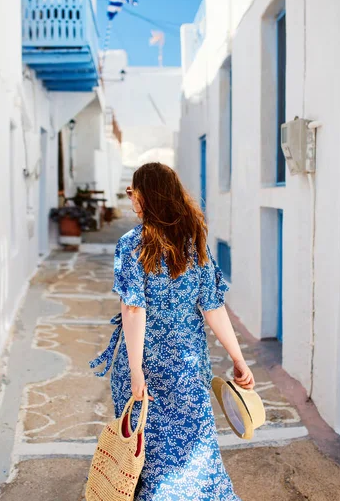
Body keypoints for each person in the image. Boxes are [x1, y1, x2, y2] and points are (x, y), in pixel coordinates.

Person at [90, 162, 255, 500]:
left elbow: (134, 310)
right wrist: (238, 359)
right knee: (197, 449)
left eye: (133, 193)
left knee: (146, 452)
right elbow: (212, 306)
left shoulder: (131, 243)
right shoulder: (194, 242)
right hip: (188, 367)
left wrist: (136, 371)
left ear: (147, 196)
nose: (132, 200)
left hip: (143, 366)